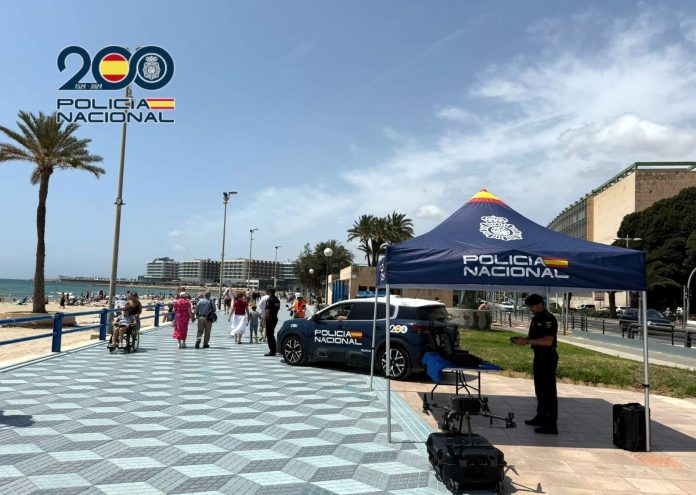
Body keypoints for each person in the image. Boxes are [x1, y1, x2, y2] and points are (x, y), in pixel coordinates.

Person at [511, 293, 559, 435]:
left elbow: (548, 341)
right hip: (539, 356)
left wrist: (527, 341)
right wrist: (522, 340)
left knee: (549, 391)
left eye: (531, 307)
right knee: (540, 389)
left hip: (548, 357)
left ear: (539, 304)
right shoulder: (536, 318)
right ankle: (541, 415)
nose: (530, 309)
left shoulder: (548, 319)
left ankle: (551, 424)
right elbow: (534, 338)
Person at [264, 288, 281, 356]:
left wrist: (264, 319)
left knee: (269, 335)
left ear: (269, 292)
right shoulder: (277, 300)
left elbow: (267, 310)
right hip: (275, 317)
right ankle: (274, 349)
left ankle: (272, 351)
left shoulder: (270, 300)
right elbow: (277, 309)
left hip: (270, 318)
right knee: (271, 334)